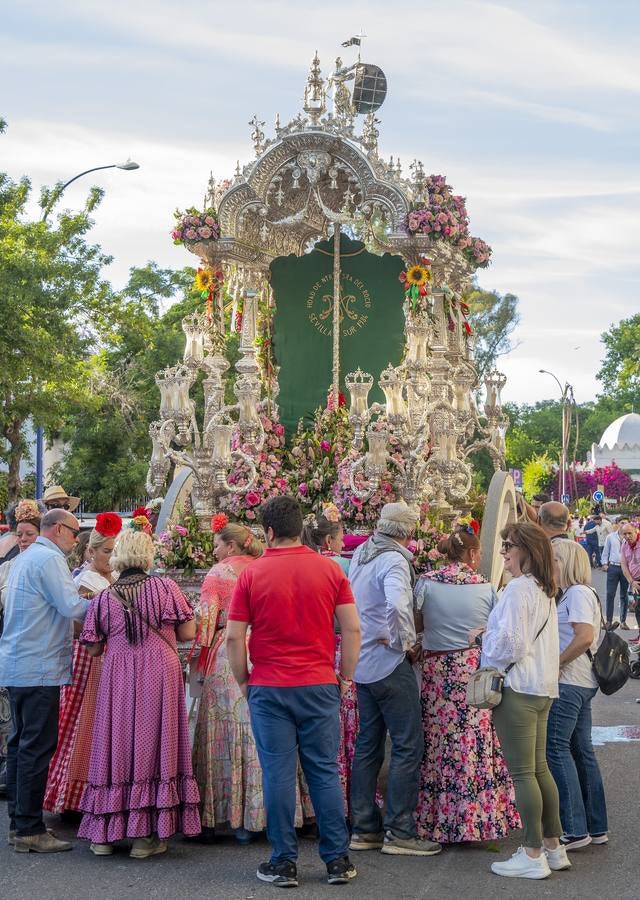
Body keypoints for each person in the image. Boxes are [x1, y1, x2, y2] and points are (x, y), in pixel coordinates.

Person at [227, 495, 361, 888]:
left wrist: (244, 679)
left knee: (278, 774)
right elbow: (351, 629)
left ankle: (283, 861)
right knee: (324, 771)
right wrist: (345, 676)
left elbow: (235, 637)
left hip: (269, 686)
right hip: (319, 682)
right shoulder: (330, 569)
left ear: (268, 532)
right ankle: (337, 859)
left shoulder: (251, 575)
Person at [77, 521, 200, 857]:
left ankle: (103, 834)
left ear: (118, 556)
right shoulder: (165, 589)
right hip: (159, 671)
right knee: (153, 744)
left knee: (115, 743)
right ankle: (145, 837)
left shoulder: (103, 599)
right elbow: (188, 633)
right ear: (147, 556)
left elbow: (93, 648)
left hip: (118, 673)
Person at [414, 520, 520, 843]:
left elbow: (418, 626)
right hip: (471, 670)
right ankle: (477, 817)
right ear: (473, 553)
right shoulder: (485, 587)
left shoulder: (426, 583)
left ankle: (437, 818)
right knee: (473, 742)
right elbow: (495, 629)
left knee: (439, 741)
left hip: (437, 671)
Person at [473, 522, 567, 879]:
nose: (504, 553)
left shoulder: (517, 590)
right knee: (539, 769)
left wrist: (483, 640)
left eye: (508, 546)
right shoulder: (544, 589)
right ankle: (553, 847)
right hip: (541, 686)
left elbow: (511, 644)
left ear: (525, 549)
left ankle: (531, 853)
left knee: (524, 774)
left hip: (518, 687)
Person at [348, 501, 441, 858]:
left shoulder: (362, 555)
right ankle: (400, 830)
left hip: (362, 661)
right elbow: (398, 605)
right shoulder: (394, 560)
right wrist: (408, 643)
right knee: (406, 745)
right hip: (388, 662)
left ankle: (364, 828)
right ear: (409, 531)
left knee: (368, 744)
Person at [0, 508, 88, 853]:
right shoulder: (49, 559)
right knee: (36, 749)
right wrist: (109, 607)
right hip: (38, 665)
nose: (76, 538)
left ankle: (19, 824)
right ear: (57, 529)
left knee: (21, 746)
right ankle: (29, 829)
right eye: (74, 531)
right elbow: (71, 607)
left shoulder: (28, 556)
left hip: (20, 662)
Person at [192, 514, 280, 842]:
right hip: (265, 648)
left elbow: (204, 623)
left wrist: (195, 661)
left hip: (229, 650)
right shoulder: (263, 568)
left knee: (225, 732)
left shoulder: (220, 572)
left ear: (230, 545)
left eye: (216, 545)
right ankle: (266, 814)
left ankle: (227, 816)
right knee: (263, 731)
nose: (214, 551)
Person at [44, 513, 121, 815]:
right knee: (81, 725)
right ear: (91, 551)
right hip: (88, 660)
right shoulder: (85, 580)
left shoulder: (107, 579)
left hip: (102, 658)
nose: (111, 558)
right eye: (106, 551)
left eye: (115, 552)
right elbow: (74, 622)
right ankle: (73, 796)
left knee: (98, 726)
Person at [546, 540, 608, 850]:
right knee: (580, 750)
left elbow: (584, 637)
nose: (551, 564)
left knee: (556, 748)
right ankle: (595, 826)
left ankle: (573, 827)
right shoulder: (575, 594)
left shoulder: (578, 593)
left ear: (568, 562)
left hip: (570, 681)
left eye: (556, 559)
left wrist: (556, 663)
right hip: (578, 681)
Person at [302, 503, 359, 811]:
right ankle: (346, 796)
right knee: (345, 723)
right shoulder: (343, 567)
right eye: (339, 539)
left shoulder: (307, 565)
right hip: (339, 647)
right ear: (328, 542)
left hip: (315, 646)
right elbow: (352, 618)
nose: (341, 544)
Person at [0, 501, 42, 797]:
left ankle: (19, 802)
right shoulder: (8, 568)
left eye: (29, 533)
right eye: (20, 533)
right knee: (19, 732)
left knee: (21, 731)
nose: (23, 539)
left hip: (30, 656)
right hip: (14, 651)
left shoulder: (45, 563)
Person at [601, 517, 630, 629]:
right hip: (613, 567)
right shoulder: (610, 537)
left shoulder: (630, 537)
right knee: (610, 594)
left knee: (624, 595)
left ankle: (623, 621)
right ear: (617, 524)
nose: (624, 525)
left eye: (626, 523)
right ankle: (608, 621)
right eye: (622, 523)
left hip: (626, 569)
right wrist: (604, 564)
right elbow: (605, 551)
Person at [620, 520, 640, 643]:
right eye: (624, 534)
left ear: (636, 531)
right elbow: (624, 565)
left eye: (629, 533)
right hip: (634, 582)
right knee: (636, 609)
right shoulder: (624, 545)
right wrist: (631, 582)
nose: (627, 536)